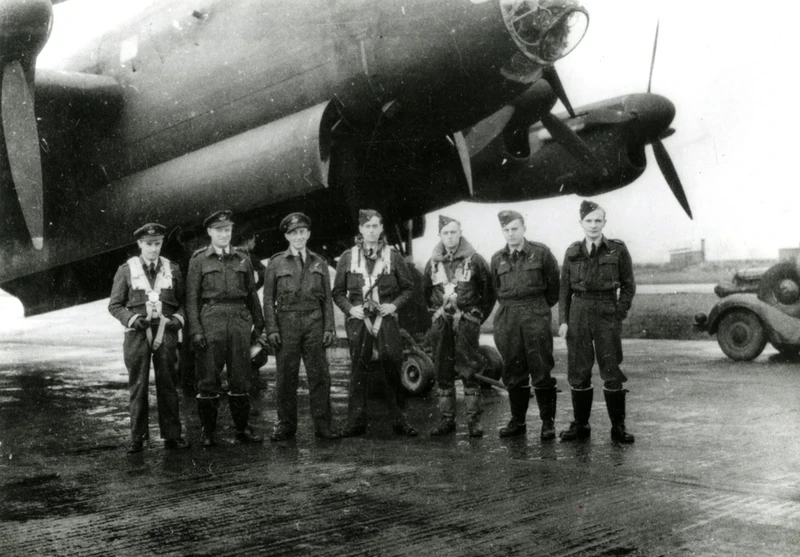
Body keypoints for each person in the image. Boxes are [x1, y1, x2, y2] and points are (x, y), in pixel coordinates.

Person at [332, 209, 417, 437]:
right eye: (367, 226)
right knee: (358, 368)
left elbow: (409, 287)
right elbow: (338, 292)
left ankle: (400, 420)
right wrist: (351, 309)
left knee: (392, 364)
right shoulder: (348, 257)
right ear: (360, 229)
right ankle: (355, 422)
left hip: (385, 317)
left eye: (375, 226)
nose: (371, 230)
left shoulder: (393, 256)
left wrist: (395, 305)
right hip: (360, 320)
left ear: (381, 229)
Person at [108, 223, 190, 453]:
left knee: (168, 383)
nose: (154, 249)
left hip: (166, 331)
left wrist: (179, 319)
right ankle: (137, 436)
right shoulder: (126, 270)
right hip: (137, 334)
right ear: (140, 244)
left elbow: (183, 302)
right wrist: (132, 319)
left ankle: (172, 435)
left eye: (157, 244)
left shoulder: (172, 269)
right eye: (149, 244)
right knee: (138, 384)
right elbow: (114, 305)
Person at [186, 210, 266, 446]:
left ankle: (242, 430)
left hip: (240, 321)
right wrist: (196, 331)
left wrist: (259, 324)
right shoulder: (198, 259)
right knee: (208, 379)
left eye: (227, 230)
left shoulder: (243, 257)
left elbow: (252, 295)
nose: (224, 234)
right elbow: (191, 300)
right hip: (211, 321)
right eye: (219, 230)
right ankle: (208, 433)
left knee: (240, 377)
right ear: (210, 232)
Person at [558, 200, 635, 443]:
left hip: (606, 311)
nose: (593, 225)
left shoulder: (617, 250)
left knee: (611, 369)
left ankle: (618, 427)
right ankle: (581, 425)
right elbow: (563, 291)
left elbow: (629, 286)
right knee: (579, 370)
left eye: (597, 220)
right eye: (588, 221)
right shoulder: (572, 252)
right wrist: (563, 320)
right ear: (581, 223)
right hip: (579, 312)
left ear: (604, 222)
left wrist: (618, 313)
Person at [263, 212, 339, 441]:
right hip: (287, 325)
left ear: (308, 234)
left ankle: (323, 425)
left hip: (314, 323)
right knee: (286, 377)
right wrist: (272, 329)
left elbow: (327, 298)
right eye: (293, 233)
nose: (298, 237)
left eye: (302, 232)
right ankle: (286, 425)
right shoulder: (275, 263)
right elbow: (268, 300)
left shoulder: (320, 262)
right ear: (287, 236)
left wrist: (329, 328)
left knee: (320, 376)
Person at [490, 210, 560, 439]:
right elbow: (496, 290)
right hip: (508, 317)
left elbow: (553, 288)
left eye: (515, 229)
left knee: (541, 368)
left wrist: (537, 308)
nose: (511, 234)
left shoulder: (540, 253)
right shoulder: (497, 258)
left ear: (524, 229)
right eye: (506, 230)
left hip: (535, 314)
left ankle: (547, 422)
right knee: (513, 370)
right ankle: (517, 422)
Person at [424, 215, 495, 437]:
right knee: (442, 369)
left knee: (469, 368)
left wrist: (476, 317)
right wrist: (436, 314)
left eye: (453, 232)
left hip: (467, 322)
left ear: (460, 232)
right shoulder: (433, 263)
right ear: (440, 236)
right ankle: (447, 420)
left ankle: (474, 421)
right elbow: (426, 293)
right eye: (445, 233)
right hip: (441, 321)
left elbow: (488, 293)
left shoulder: (475, 260)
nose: (450, 236)